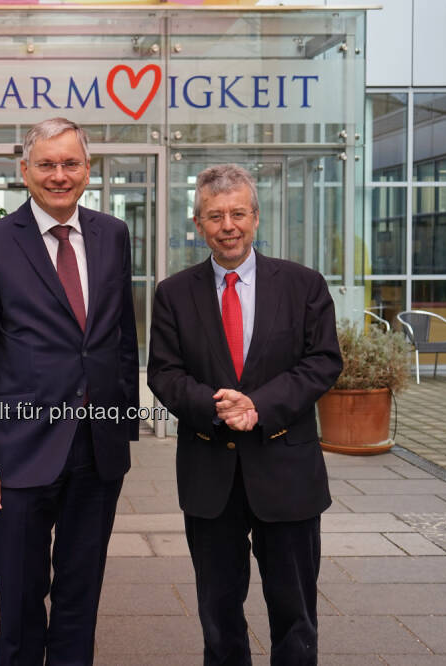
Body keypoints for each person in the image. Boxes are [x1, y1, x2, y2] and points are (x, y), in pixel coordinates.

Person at [0, 117, 138, 664]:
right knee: (20, 600)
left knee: (82, 597)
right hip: (18, 454)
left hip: (96, 454)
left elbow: (121, 337)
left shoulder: (113, 233)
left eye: (71, 163)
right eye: (47, 165)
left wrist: (121, 429)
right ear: (24, 171)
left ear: (88, 168)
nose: (60, 175)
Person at [147, 163, 342, 665]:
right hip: (211, 477)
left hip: (287, 474)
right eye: (214, 216)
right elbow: (164, 374)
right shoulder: (173, 293)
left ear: (256, 218)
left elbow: (323, 362)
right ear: (198, 225)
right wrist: (219, 408)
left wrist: (258, 406)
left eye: (237, 213)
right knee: (218, 615)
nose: (227, 225)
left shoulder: (304, 285)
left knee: (295, 614)